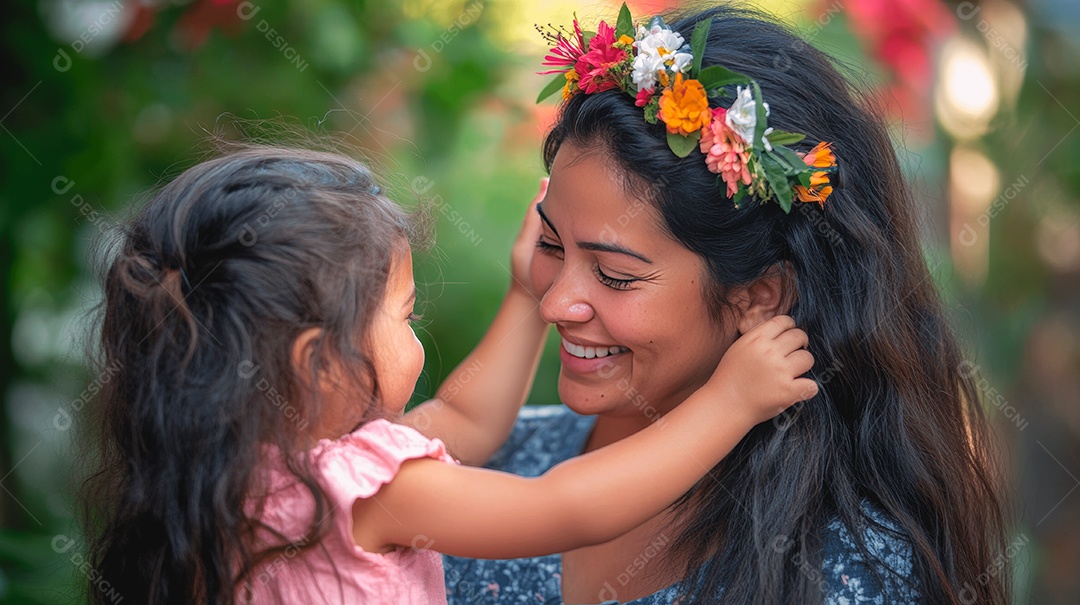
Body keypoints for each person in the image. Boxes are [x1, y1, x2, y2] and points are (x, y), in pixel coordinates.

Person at [444, 3, 1011, 604]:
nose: (554, 305)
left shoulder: (849, 573)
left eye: (614, 275)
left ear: (760, 297)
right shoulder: (481, 466)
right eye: (550, 244)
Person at [80, 144, 817, 604]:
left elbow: (467, 421)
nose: (416, 336)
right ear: (317, 363)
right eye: (403, 316)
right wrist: (730, 401)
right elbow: (564, 507)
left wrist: (527, 295)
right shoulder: (368, 486)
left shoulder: (237, 480)